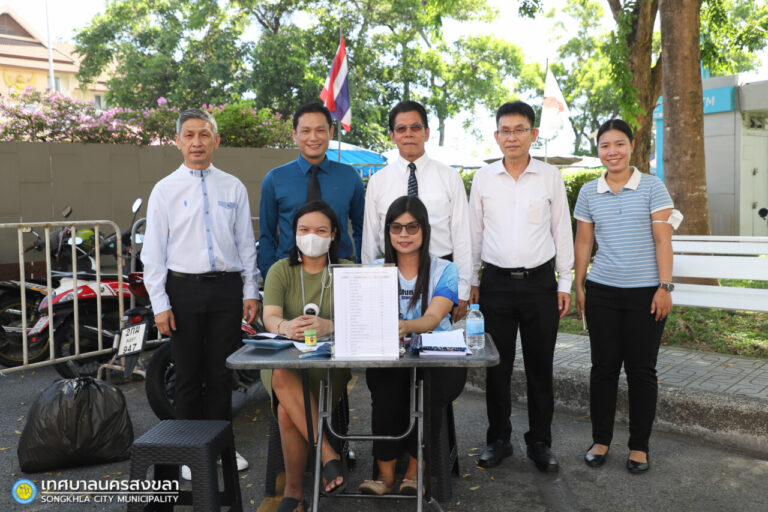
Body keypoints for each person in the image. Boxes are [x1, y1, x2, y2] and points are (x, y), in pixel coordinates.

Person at [141, 108, 259, 477]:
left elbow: (245, 244)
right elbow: (153, 253)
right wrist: (160, 304)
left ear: (216, 141)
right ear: (177, 142)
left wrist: (251, 291)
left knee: (222, 374)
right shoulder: (165, 190)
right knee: (188, 375)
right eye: (189, 135)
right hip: (183, 290)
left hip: (226, 290)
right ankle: (189, 454)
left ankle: (222, 450)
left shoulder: (233, 187)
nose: (197, 142)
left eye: (204, 134)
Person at [468, 101, 574, 472]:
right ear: (496, 136)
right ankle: (498, 439)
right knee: (496, 366)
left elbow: (561, 229)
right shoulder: (483, 178)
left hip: (540, 284)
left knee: (540, 367)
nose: (512, 137)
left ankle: (540, 442)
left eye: (519, 130)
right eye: (505, 131)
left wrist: (565, 281)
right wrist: (472, 281)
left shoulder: (549, 177)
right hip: (495, 284)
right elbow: (474, 233)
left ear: (533, 134)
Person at [573, 119, 675, 474]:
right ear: (598, 150)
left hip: (645, 293)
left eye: (619, 144)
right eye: (605, 145)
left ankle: (639, 446)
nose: (612, 151)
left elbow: (663, 240)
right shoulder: (589, 191)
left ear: (632, 145)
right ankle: (600, 440)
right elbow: (584, 241)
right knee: (603, 369)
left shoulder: (653, 186)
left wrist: (665, 287)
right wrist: (579, 284)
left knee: (641, 371)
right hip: (602, 291)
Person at [359, 195, 466, 496]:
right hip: (391, 357)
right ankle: (384, 476)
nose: (403, 234)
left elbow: (433, 318)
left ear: (424, 230)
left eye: (411, 227)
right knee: (386, 388)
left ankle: (415, 471)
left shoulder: (445, 270)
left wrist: (405, 326)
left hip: (438, 357)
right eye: (396, 227)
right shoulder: (375, 269)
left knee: (428, 389)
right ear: (388, 232)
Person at [261, 201, 351, 512]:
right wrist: (285, 327)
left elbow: (364, 318)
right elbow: (270, 316)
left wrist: (331, 325)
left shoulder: (347, 272)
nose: (312, 236)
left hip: (329, 365)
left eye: (321, 230)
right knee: (282, 374)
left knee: (287, 412)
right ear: (294, 233)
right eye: (304, 229)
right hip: (284, 360)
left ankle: (294, 494)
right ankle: (328, 456)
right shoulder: (280, 270)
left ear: (334, 234)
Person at [362, 100, 472, 322]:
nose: (408, 134)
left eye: (415, 127)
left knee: (437, 336)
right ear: (392, 136)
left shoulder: (449, 177)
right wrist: (368, 284)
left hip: (440, 276)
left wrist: (463, 289)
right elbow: (370, 238)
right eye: (401, 128)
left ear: (427, 133)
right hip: (393, 276)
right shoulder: (378, 181)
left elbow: (462, 235)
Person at [259, 102, 365, 278]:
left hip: (339, 273)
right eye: (306, 131)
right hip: (289, 273)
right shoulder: (275, 179)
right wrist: (269, 275)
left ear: (331, 132)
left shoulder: (350, 177)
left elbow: (362, 231)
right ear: (295, 134)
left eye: (320, 130)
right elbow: (267, 235)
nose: (313, 138)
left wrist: (362, 270)